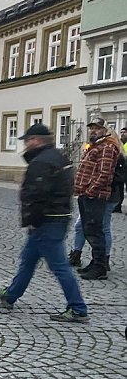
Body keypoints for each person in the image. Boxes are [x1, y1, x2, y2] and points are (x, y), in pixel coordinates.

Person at [0, 123, 88, 323]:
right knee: (28, 259)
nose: (25, 144)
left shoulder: (41, 162)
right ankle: (10, 295)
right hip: (56, 216)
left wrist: (33, 220)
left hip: (46, 219)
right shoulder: (59, 157)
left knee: (59, 265)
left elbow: (37, 195)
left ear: (37, 140)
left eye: (28, 140)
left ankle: (78, 307)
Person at [73, 117, 120, 279]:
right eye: (92, 128)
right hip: (86, 194)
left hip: (96, 196)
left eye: (97, 128)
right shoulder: (96, 145)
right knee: (89, 229)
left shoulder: (107, 146)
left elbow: (105, 174)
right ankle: (95, 262)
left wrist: (90, 191)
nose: (93, 131)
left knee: (96, 230)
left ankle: (100, 267)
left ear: (105, 130)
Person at [69, 143, 125, 273]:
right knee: (83, 226)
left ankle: (102, 261)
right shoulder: (95, 150)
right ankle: (79, 254)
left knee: (101, 228)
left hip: (106, 196)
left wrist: (91, 189)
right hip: (95, 194)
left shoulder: (113, 154)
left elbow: (109, 175)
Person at [117, 126, 127, 213]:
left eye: (124, 132)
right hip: (121, 169)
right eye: (121, 132)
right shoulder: (119, 143)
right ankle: (118, 207)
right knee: (119, 189)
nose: (123, 134)